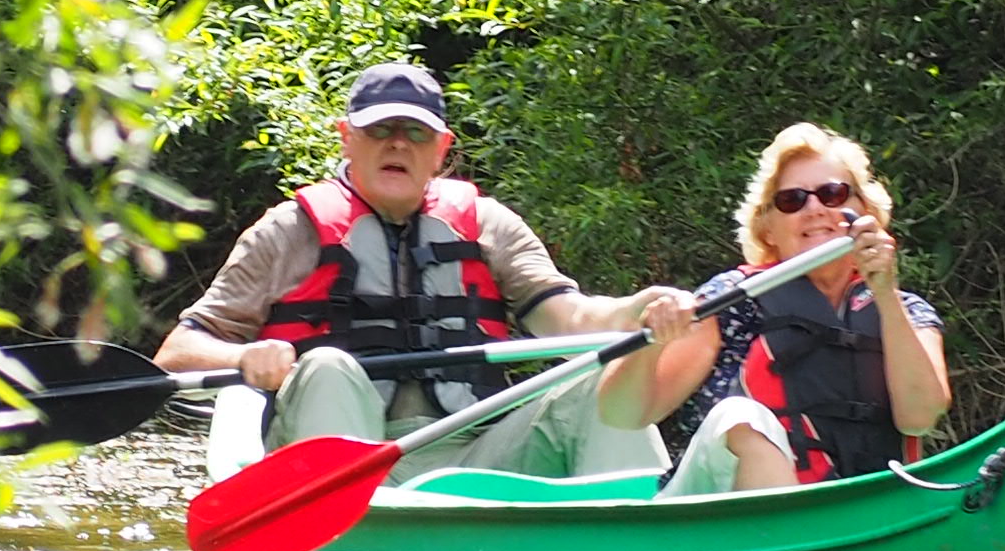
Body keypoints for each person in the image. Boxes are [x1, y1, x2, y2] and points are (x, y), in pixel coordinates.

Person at [156, 62, 699, 480]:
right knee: (324, 365)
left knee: (595, 383)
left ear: (441, 150)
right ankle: (350, 534)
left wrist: (635, 311)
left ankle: (638, 532)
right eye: (380, 130)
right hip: (334, 468)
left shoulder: (487, 224)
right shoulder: (288, 231)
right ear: (346, 137)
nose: (397, 143)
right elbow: (178, 353)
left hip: (474, 453)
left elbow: (572, 319)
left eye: (415, 133)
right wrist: (244, 356)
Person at [636, 122, 951, 494]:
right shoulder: (733, 300)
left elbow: (919, 418)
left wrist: (885, 292)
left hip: (854, 508)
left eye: (832, 194)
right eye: (792, 200)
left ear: (864, 213)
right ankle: (786, 535)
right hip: (712, 513)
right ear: (767, 228)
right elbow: (630, 414)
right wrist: (652, 338)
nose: (815, 208)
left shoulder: (906, 311)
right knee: (742, 417)